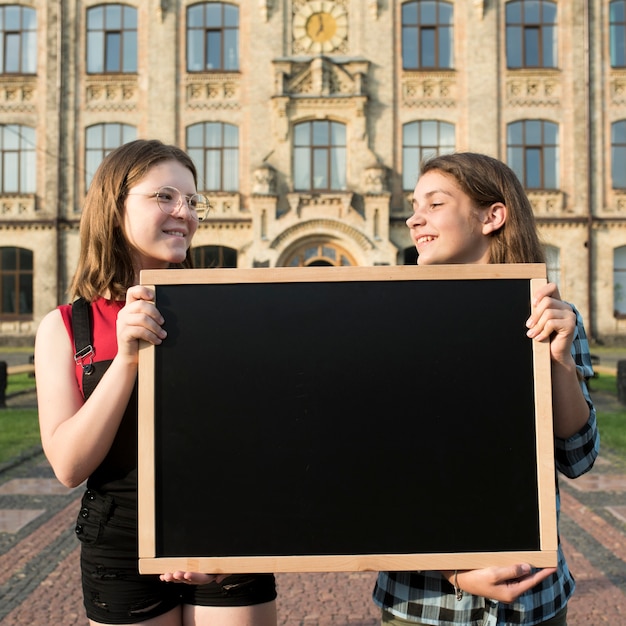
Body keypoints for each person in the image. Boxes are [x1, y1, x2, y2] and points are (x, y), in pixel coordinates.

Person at [35, 139, 277, 626]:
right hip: (119, 543)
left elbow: (255, 438)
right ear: (113, 204)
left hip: (223, 533)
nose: (183, 213)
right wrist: (126, 359)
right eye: (165, 196)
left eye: (192, 201)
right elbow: (68, 466)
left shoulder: (225, 310)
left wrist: (210, 532)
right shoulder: (66, 327)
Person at [373, 152, 599, 626]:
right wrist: (454, 569)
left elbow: (577, 457)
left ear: (492, 215)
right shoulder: (390, 323)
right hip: (422, 604)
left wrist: (558, 361)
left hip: (534, 603)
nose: (414, 220)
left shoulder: (554, 316)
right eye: (414, 205)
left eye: (434, 204)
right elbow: (373, 472)